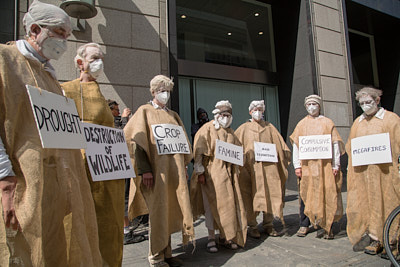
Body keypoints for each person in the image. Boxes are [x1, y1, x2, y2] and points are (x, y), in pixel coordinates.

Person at [0, 1, 101, 265]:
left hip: (54, 186)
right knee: (22, 251)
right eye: (59, 33)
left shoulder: (50, 77)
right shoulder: (5, 60)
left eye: (67, 35)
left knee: (53, 250)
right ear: (35, 30)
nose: (63, 42)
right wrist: (4, 177)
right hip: (21, 183)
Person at [61, 43, 125, 266]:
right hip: (82, 174)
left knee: (108, 228)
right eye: (95, 57)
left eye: (102, 58)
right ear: (80, 62)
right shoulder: (66, 90)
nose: (100, 62)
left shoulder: (100, 93)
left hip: (107, 178)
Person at [124, 75, 194, 267]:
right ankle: (156, 256)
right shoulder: (144, 112)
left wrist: (184, 167)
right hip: (156, 172)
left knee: (170, 211)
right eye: (162, 90)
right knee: (158, 212)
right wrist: (145, 170)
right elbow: (137, 142)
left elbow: (182, 144)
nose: (165, 94)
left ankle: (168, 252)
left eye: (168, 90)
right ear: (153, 91)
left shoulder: (173, 115)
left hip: (175, 171)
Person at [346, 87, 400, 255]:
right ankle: (375, 238)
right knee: (369, 205)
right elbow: (351, 147)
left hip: (386, 173)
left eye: (368, 102)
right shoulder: (358, 122)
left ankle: (392, 241)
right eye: (361, 103)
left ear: (377, 100)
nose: (365, 106)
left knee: (390, 203)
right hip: (364, 175)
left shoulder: (391, 119)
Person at [190, 100, 247, 253]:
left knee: (228, 206)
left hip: (228, 176)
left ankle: (225, 236)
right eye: (223, 114)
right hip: (211, 175)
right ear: (217, 114)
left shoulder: (231, 132)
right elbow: (199, 152)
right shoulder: (207, 129)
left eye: (228, 115)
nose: (225, 117)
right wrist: (200, 172)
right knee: (211, 206)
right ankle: (210, 238)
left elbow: (239, 152)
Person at [289, 94, 344, 239]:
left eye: (314, 104)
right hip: (307, 168)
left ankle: (327, 225)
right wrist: (297, 166)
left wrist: (335, 164)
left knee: (327, 194)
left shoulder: (327, 123)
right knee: (305, 195)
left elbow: (335, 145)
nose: (311, 107)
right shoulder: (301, 124)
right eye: (309, 104)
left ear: (319, 106)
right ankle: (304, 224)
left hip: (324, 167)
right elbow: (297, 146)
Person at [235, 100, 291, 238]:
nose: (257, 112)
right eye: (255, 109)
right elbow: (234, 147)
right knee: (249, 197)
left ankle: (268, 224)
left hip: (269, 171)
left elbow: (281, 146)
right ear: (250, 112)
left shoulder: (270, 128)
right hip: (250, 171)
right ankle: (252, 226)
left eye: (260, 109)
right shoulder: (243, 129)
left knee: (270, 195)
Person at [107, 99, 146, 245]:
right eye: (116, 110)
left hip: (120, 167)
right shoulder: (109, 124)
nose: (118, 112)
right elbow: (120, 137)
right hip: (117, 168)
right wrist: (124, 119)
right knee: (122, 200)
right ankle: (126, 232)